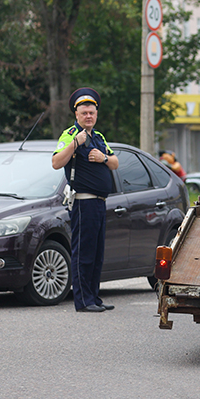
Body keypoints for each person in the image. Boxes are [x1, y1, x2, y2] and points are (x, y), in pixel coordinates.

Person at [52, 88, 119, 313]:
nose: (88, 116)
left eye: (91, 112)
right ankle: (83, 301)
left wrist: (104, 157)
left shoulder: (98, 137)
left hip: (99, 202)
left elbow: (116, 163)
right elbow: (56, 162)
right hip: (83, 202)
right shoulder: (70, 134)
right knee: (84, 253)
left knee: (98, 253)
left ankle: (94, 297)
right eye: (84, 113)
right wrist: (76, 143)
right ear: (77, 115)